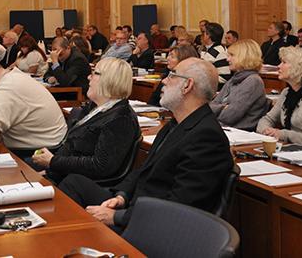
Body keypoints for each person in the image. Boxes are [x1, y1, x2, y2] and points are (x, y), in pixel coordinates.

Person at [58, 58, 233, 230]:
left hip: (154, 225)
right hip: (137, 205)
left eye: (172, 76)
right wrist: (121, 196)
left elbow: (179, 206)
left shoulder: (206, 138)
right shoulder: (176, 123)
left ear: (187, 86)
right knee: (74, 183)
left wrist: (117, 217)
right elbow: (144, 170)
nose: (164, 80)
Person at [32, 58, 140, 184]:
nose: (89, 77)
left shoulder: (120, 119)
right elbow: (72, 145)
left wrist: (53, 162)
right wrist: (51, 165)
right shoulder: (95, 107)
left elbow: (99, 166)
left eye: (94, 73)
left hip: (79, 182)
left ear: (109, 79)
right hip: (63, 171)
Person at [210, 39, 270, 131]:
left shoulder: (253, 81)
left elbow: (229, 116)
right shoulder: (234, 79)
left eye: (232, 55)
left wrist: (221, 108)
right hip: (224, 128)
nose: (227, 59)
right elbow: (210, 106)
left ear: (245, 57)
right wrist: (224, 107)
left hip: (240, 132)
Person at [199, 22, 231, 86]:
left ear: (208, 35)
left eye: (204, 33)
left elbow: (224, 77)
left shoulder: (219, 51)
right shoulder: (207, 48)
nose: (202, 35)